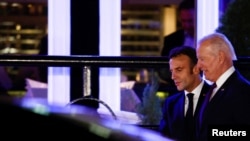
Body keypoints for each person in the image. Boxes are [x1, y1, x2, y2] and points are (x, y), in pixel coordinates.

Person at [196, 32, 250, 141]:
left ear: (220, 57)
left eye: (202, 59)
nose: (198, 65)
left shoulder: (243, 91)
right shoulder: (213, 88)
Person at [159, 46, 210, 141]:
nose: (173, 77)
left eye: (179, 70)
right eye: (171, 71)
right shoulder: (170, 104)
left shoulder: (216, 97)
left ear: (196, 69)